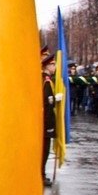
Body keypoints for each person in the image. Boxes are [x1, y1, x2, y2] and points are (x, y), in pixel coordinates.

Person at [41, 53, 58, 186]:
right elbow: (47, 104)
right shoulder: (46, 81)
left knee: (45, 150)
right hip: (45, 122)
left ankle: (42, 174)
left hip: (45, 121)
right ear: (47, 66)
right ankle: (41, 175)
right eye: (53, 64)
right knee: (44, 150)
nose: (55, 66)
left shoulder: (47, 79)